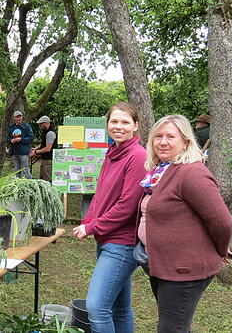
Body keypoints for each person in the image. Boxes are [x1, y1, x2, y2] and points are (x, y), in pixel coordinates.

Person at [137, 115, 232, 332]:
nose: (163, 142)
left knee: (172, 329)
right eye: (158, 136)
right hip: (164, 266)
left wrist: (219, 250)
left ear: (186, 142)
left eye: (171, 137)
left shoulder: (192, 173)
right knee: (175, 325)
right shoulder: (163, 171)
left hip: (184, 270)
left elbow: (221, 221)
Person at [72, 102, 147, 333]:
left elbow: (127, 206)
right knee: (120, 308)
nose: (119, 127)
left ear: (135, 126)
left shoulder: (137, 156)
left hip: (122, 243)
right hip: (106, 239)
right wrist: (88, 220)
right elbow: (101, 193)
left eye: (125, 122)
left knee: (96, 307)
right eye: (114, 121)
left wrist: (93, 226)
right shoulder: (112, 152)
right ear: (107, 124)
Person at [29, 115, 57, 182]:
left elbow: (48, 148)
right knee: (42, 179)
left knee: (47, 180)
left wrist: (35, 152)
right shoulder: (46, 132)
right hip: (45, 159)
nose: (40, 126)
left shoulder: (50, 133)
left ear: (45, 123)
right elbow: (43, 144)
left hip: (49, 160)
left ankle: (49, 192)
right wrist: (36, 148)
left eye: (40, 124)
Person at [7, 111, 33, 179]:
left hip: (23, 152)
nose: (19, 118)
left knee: (25, 169)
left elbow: (31, 138)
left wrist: (21, 139)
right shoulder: (12, 127)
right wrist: (11, 140)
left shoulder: (26, 127)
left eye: (20, 116)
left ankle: (30, 183)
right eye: (17, 117)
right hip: (14, 152)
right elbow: (8, 138)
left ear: (22, 117)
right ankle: (18, 184)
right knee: (16, 170)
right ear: (14, 118)